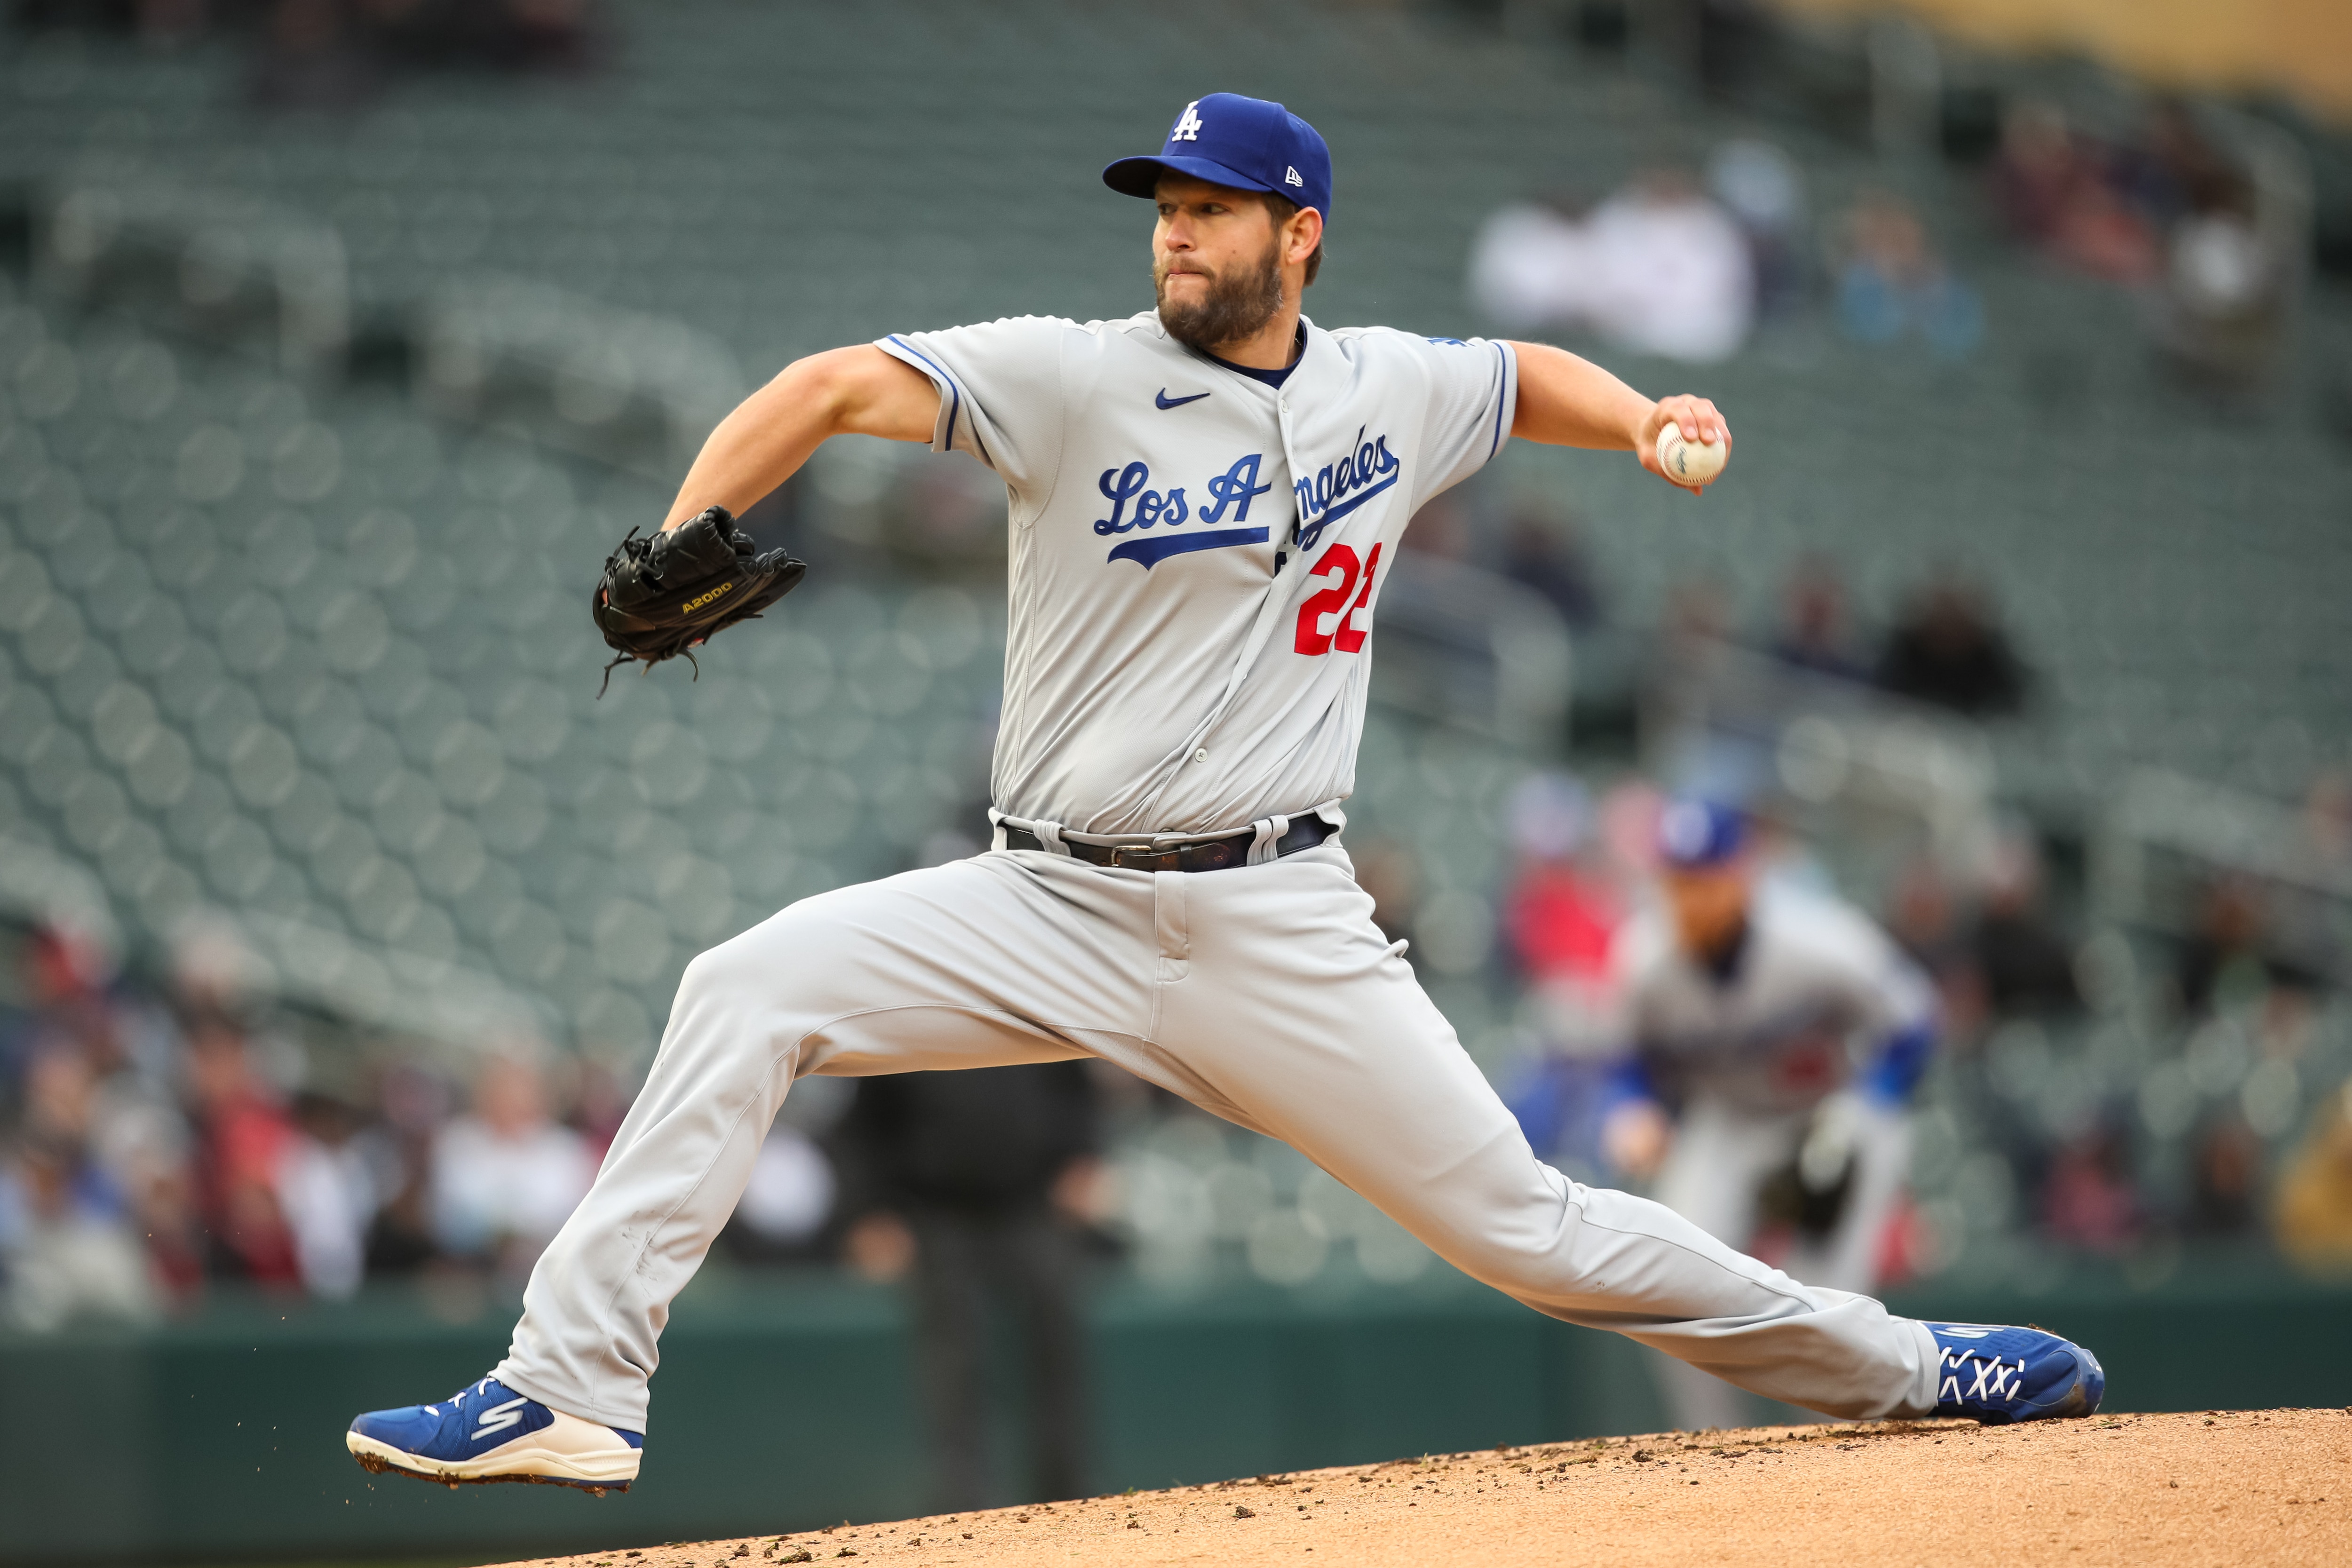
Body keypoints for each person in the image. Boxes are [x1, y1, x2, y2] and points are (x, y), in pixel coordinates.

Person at [343, 92, 2103, 1495]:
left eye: (1208, 203)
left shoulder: (1386, 386)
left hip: (1278, 918)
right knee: (744, 990)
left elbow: (1517, 381)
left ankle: (1909, 1366)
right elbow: (822, 385)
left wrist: (1641, 416)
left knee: (1530, 1232)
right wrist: (683, 530)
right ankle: (564, 1390)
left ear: (1297, 232)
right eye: (1162, 203)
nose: (1175, 225)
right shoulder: (1071, 373)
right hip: (1042, 902)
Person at [1601, 800, 1942, 1430]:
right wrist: (1634, 1109)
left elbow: (1915, 1021)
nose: (1692, 898)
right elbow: (1629, 1064)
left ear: (1743, 872)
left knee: (1825, 1304)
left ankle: (1835, 1447)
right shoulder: (1643, 960)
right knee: (1668, 1282)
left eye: (1705, 878)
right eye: (1678, 881)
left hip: (1830, 1116)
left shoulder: (1818, 938)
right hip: (1730, 1120)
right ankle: (1717, 1451)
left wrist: (1869, 1107)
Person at [834, 1062, 1102, 1509]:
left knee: (1057, 1347)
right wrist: (870, 1210)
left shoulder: (1032, 1003)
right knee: (954, 1359)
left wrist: (1083, 1156)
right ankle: (965, 1510)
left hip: (1030, 1204)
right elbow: (864, 1127)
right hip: (938, 1211)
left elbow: (1077, 1093)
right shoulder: (913, 1017)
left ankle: (1070, 1499)